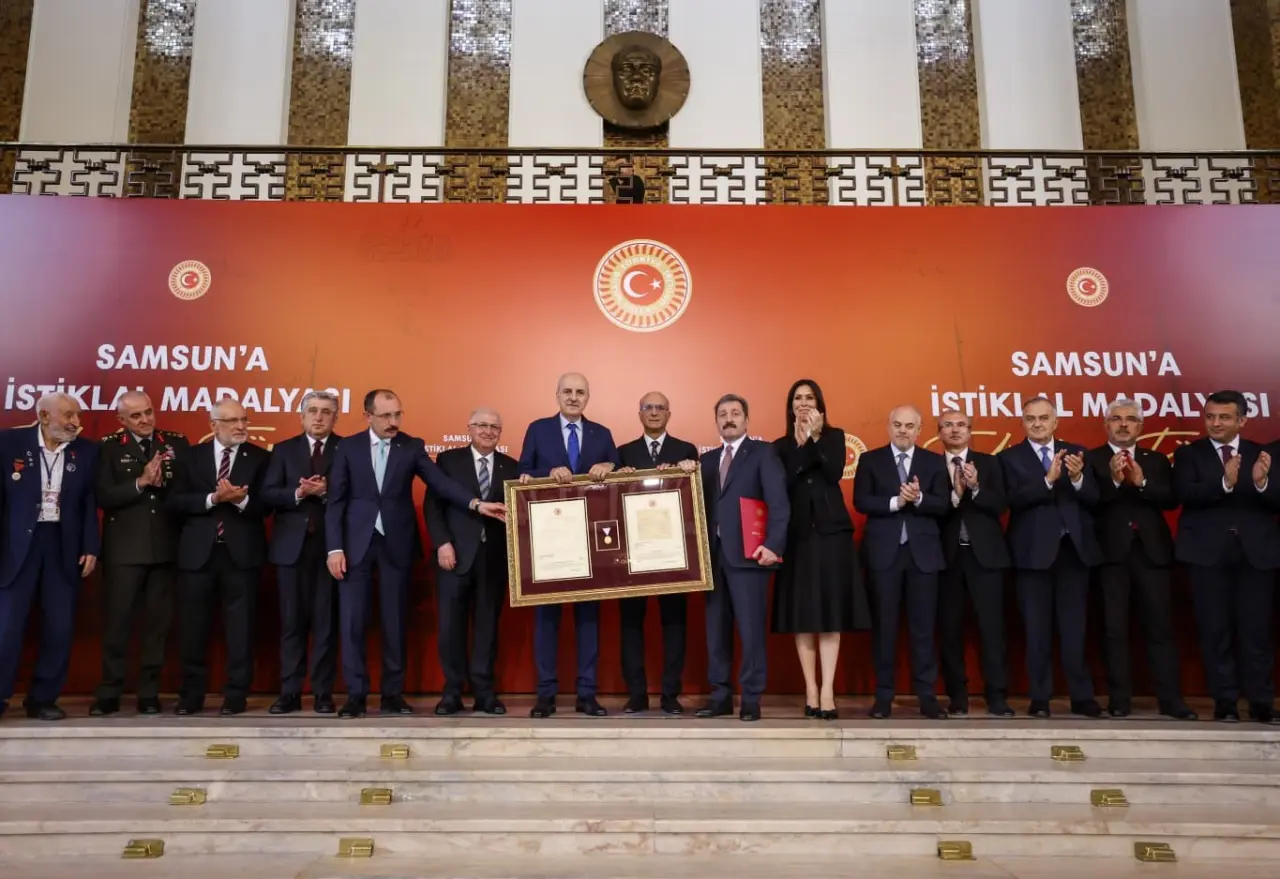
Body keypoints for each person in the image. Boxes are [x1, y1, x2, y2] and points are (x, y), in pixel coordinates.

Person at [326, 389, 505, 719]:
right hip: (355, 546)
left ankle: (392, 695)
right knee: (352, 623)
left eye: (398, 414)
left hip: (397, 545)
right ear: (368, 416)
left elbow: (441, 484)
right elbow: (336, 501)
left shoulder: (411, 446)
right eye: (386, 416)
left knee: (395, 622)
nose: (393, 422)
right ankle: (356, 696)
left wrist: (476, 504)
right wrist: (334, 547)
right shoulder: (348, 448)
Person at [517, 372, 620, 718]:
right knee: (546, 619)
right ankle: (545, 695)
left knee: (588, 620)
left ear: (587, 397)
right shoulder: (538, 429)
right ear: (557, 395)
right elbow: (523, 472)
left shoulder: (602, 433)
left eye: (580, 392)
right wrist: (548, 472)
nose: (573, 397)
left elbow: (621, 475)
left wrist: (609, 465)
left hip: (591, 542)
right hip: (550, 539)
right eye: (567, 392)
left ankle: (587, 694)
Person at [1173, 390, 1278, 724]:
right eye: (1210, 416)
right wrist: (1224, 483)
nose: (1215, 423)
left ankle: (1261, 702)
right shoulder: (1188, 454)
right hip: (1206, 555)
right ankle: (1225, 702)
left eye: (1224, 417)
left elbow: (1276, 500)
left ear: (1242, 420)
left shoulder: (1263, 454)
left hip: (1255, 554)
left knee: (1256, 632)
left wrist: (1261, 483)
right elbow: (1183, 493)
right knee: (1214, 631)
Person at [1086, 400, 1196, 720]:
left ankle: (1171, 700)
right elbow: (1088, 502)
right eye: (1117, 418)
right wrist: (1115, 480)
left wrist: (1142, 482)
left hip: (1152, 553)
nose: (1123, 424)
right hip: (1110, 555)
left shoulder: (1156, 459)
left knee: (1160, 627)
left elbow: (1171, 499)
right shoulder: (1091, 459)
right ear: (1106, 424)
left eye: (1131, 419)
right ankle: (1119, 699)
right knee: (1113, 630)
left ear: (1141, 426)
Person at [999, 397, 1102, 719]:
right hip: (1032, 555)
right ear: (1022, 423)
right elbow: (1010, 500)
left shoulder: (1077, 453)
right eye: (1031, 418)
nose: (1038, 424)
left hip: (1073, 553)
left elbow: (1095, 498)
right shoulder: (1008, 458)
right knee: (1036, 630)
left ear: (1055, 422)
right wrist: (1047, 481)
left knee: (1075, 630)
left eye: (1044, 418)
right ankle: (1040, 697)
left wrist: (1077, 479)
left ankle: (1082, 697)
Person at [167, 397, 270, 716]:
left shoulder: (260, 457)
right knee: (192, 627)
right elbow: (175, 502)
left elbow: (267, 505)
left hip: (241, 555)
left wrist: (240, 501)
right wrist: (214, 498)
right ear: (214, 425)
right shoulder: (190, 456)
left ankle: (236, 695)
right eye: (232, 421)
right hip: (198, 555)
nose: (240, 426)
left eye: (244, 420)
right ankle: (191, 694)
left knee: (241, 629)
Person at [771, 380, 866, 721]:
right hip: (797, 536)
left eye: (809, 398)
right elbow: (787, 481)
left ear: (820, 404)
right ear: (790, 406)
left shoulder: (835, 437)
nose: (803, 403)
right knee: (803, 615)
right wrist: (800, 446)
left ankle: (827, 691)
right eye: (797, 398)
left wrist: (814, 438)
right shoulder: (780, 446)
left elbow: (832, 471)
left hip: (831, 534)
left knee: (830, 614)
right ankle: (810, 688)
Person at [0, 393, 99, 721]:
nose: (75, 422)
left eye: (77, 415)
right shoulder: (9, 444)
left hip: (62, 544)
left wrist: (90, 546)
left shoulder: (86, 451)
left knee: (59, 626)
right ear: (44, 416)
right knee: (7, 627)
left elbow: (88, 502)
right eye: (68, 415)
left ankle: (42, 699)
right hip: (17, 547)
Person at [91, 390, 189, 717]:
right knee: (117, 625)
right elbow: (103, 495)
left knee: (157, 627)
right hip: (124, 550)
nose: (145, 419)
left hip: (165, 547)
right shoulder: (108, 446)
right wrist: (141, 482)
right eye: (136, 416)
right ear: (121, 420)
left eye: (148, 412)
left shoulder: (175, 443)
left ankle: (149, 694)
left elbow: (187, 491)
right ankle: (109, 693)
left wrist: (164, 485)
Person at [853, 405, 949, 720]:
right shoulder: (870, 460)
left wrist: (918, 498)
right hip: (884, 556)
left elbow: (943, 504)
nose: (903, 430)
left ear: (919, 430)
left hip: (923, 556)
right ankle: (883, 696)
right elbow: (861, 501)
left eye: (909, 426)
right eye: (897, 424)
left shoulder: (934, 461)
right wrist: (897, 501)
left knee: (924, 629)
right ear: (888, 426)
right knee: (884, 628)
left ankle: (927, 697)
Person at [697, 394, 788, 722]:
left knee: (751, 633)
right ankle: (720, 696)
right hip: (712, 560)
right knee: (716, 633)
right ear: (716, 422)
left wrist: (774, 545)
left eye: (735, 413)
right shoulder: (706, 461)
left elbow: (779, 502)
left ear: (747, 420)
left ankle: (751, 698)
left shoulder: (763, 453)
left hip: (751, 558)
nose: (729, 419)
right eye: (723, 414)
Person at [425, 407, 517, 716]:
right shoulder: (448, 461)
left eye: (494, 427)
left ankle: (484, 694)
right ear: (469, 428)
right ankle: (452, 693)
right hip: (454, 556)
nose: (488, 431)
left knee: (487, 629)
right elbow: (433, 506)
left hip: (494, 561)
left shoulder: (512, 466)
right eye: (482, 425)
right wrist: (442, 543)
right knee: (450, 628)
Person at [615, 391, 699, 715]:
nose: (653, 412)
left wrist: (685, 470)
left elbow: (693, 499)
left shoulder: (686, 450)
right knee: (631, 624)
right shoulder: (623, 453)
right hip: (633, 554)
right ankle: (636, 694)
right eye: (648, 407)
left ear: (668, 413)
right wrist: (618, 478)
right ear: (639, 413)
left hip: (673, 552)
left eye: (660, 408)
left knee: (675, 623)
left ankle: (670, 694)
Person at [261, 391, 343, 715]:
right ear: (301, 416)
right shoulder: (283, 449)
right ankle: (290, 692)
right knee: (292, 624)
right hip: (290, 550)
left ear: (335, 417)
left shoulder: (346, 448)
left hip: (331, 549)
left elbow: (357, 495)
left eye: (326, 412)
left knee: (326, 624)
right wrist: (298, 492)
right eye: (312, 411)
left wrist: (326, 492)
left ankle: (323, 692)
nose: (318, 417)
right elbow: (268, 494)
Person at [935, 410, 1014, 718]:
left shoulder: (991, 463)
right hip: (947, 559)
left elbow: (1001, 505)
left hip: (986, 558)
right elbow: (929, 511)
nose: (955, 430)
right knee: (950, 630)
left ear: (970, 431)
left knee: (992, 629)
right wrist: (955, 495)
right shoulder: (930, 466)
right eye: (948, 425)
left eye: (961, 425)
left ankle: (997, 697)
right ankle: (957, 697)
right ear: (939, 432)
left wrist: (977, 486)